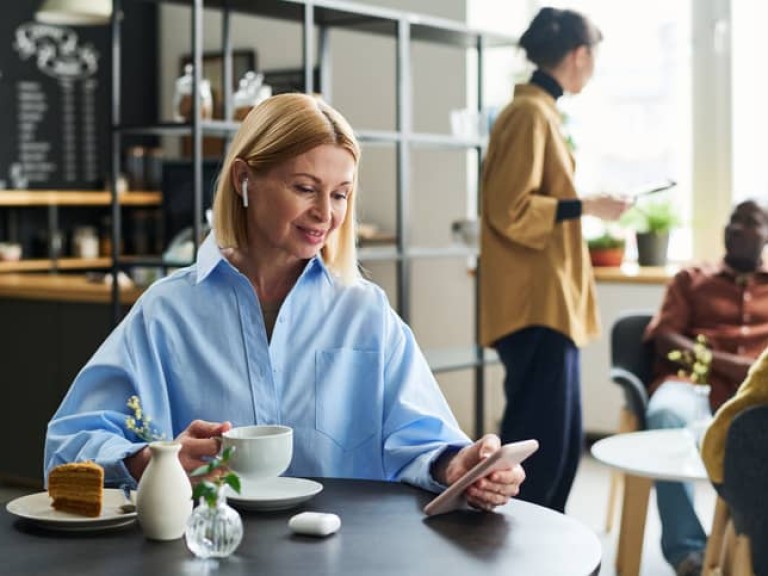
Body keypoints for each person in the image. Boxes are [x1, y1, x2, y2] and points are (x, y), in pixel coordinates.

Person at [44, 93, 524, 510]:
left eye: (340, 195)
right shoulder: (167, 313)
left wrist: (463, 464)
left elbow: (424, 440)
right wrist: (152, 459)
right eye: (304, 188)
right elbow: (68, 447)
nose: (325, 213)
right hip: (209, 550)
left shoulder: (365, 312)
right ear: (243, 180)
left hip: (344, 555)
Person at [479, 7, 630, 513]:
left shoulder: (540, 111)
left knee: (556, 446)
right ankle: (526, 554)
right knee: (541, 448)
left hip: (548, 304)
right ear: (580, 55)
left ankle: (540, 551)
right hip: (534, 306)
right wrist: (588, 205)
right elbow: (509, 208)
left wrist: (585, 205)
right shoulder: (529, 114)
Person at [643, 199, 768, 576]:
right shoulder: (691, 278)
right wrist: (727, 365)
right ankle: (688, 552)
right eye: (733, 219)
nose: (736, 227)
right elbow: (664, 336)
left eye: (750, 221)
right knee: (666, 412)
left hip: (757, 396)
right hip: (691, 385)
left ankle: (749, 547)